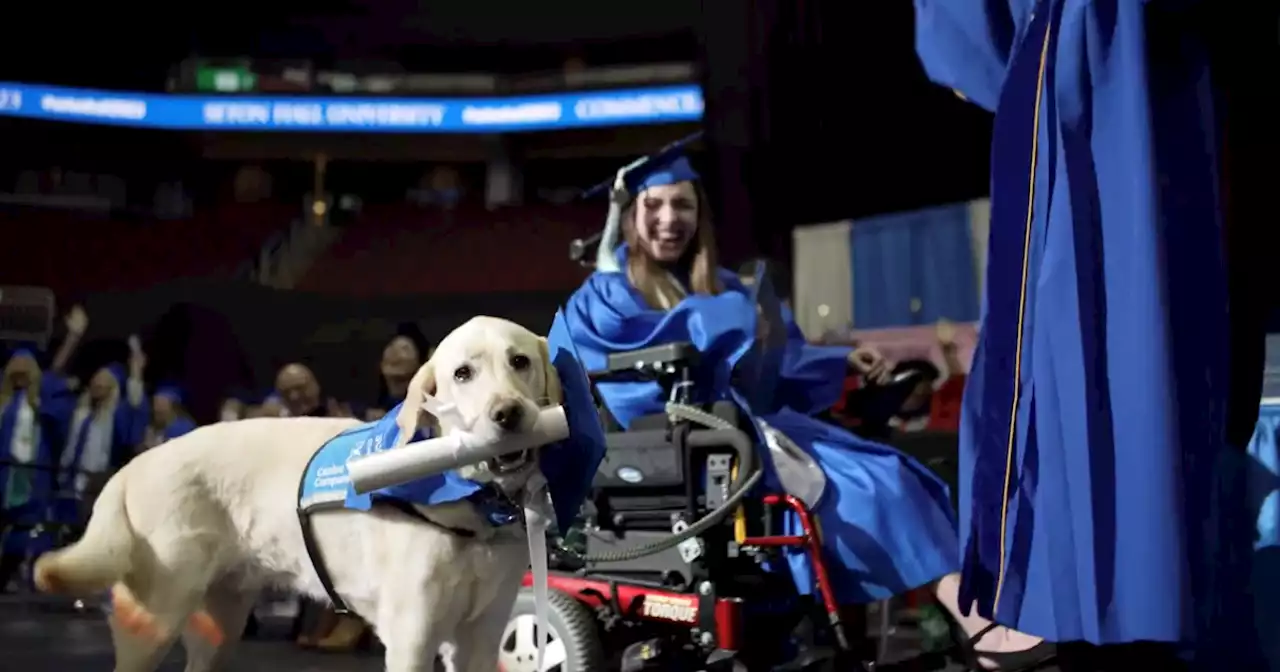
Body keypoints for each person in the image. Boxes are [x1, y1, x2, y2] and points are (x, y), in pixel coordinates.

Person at [564, 151, 1050, 668]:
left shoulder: (722, 285)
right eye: (653, 204)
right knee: (874, 485)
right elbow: (634, 365)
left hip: (756, 429)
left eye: (682, 204)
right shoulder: (609, 292)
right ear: (630, 215)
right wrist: (729, 317)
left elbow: (780, 358)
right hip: (698, 442)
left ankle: (966, 616)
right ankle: (976, 625)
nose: (669, 218)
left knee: (904, 474)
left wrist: (842, 361)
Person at [913, 2, 1270, 669]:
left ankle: (1072, 600)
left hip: (1080, 82)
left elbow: (973, 51)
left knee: (1071, 337)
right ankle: (1154, 591)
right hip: (1193, 105)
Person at [365, 326, 430, 422]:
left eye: (405, 349)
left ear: (420, 365)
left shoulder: (428, 411)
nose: (394, 353)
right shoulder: (364, 410)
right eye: (391, 346)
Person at [141, 384, 197, 450]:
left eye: (162, 404)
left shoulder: (183, 428)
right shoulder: (151, 428)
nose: (157, 408)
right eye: (155, 403)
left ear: (173, 407)